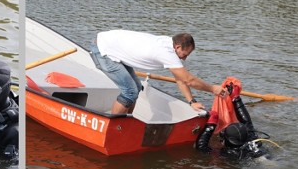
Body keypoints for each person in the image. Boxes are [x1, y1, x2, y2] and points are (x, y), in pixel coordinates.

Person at [89, 29, 226, 114]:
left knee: (135, 88)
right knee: (130, 92)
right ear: (177, 47)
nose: (184, 59)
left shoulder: (169, 44)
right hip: (102, 50)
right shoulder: (166, 53)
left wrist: (192, 102)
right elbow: (188, 80)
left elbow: (180, 79)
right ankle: (115, 128)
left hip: (111, 45)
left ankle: (126, 121)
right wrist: (213, 88)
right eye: (185, 54)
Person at [194, 78, 267, 159]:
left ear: (229, 141)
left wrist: (211, 123)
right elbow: (247, 121)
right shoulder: (252, 138)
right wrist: (236, 99)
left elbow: (201, 147)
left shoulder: (230, 154)